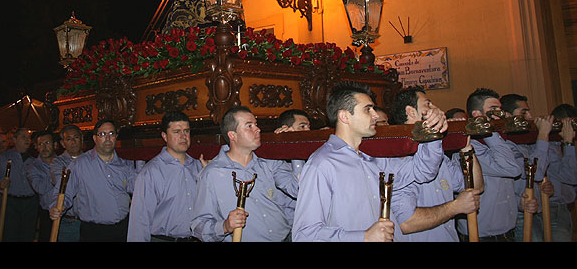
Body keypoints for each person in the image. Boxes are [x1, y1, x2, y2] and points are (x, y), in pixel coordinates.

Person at [292, 82, 447, 242]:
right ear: (344, 116)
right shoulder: (322, 164)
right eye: (367, 109)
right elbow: (305, 235)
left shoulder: (374, 159)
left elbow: (424, 171)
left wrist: (432, 131)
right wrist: (363, 237)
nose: (375, 115)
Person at [191, 106, 299, 242]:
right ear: (232, 135)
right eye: (249, 126)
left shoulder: (270, 163)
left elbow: (298, 190)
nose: (257, 129)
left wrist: (294, 146)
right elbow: (198, 226)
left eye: (256, 124)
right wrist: (224, 226)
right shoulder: (212, 174)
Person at [390, 86, 483, 242]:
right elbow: (407, 222)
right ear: (411, 112)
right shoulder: (397, 159)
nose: (436, 109)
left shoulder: (440, 157)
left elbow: (477, 187)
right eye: (428, 104)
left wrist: (465, 146)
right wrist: (455, 207)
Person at [48, 119, 137, 242]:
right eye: (102, 134)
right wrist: (56, 207)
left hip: (122, 230)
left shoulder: (125, 166)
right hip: (94, 232)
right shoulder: (79, 164)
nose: (107, 138)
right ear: (95, 138)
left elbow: (139, 190)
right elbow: (64, 191)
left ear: (116, 137)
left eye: (111, 134)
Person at [456, 88, 523, 241]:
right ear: (476, 114)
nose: (499, 114)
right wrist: (488, 128)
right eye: (493, 110)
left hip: (507, 229)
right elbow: (511, 169)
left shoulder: (501, 141)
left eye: (500, 109)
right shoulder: (469, 146)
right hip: (482, 234)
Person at [128, 111, 204, 242]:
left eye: (186, 131)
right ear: (164, 136)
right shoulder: (151, 172)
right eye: (176, 132)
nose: (183, 136)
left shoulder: (198, 166)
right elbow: (140, 220)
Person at [500, 93, 556, 241]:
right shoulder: (506, 144)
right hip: (519, 214)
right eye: (524, 112)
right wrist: (543, 134)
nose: (530, 116)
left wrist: (544, 187)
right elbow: (535, 172)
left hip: (538, 208)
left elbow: (540, 175)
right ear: (507, 115)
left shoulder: (526, 141)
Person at [0, 127, 38, 241]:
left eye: (29, 137)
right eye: (23, 137)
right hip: (11, 203)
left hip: (31, 203)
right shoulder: (3, 159)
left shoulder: (34, 160)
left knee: (27, 236)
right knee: (9, 235)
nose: (27, 140)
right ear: (14, 139)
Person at [546, 104, 577, 241]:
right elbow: (571, 177)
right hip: (552, 209)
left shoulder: (559, 145)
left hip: (565, 208)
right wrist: (569, 143)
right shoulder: (549, 147)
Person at [49, 124, 83, 242]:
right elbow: (64, 185)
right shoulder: (58, 163)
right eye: (68, 139)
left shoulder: (91, 160)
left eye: (76, 137)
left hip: (90, 221)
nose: (73, 141)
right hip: (69, 221)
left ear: (81, 139)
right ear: (63, 144)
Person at [25, 130, 58, 242]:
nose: (44, 147)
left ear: (55, 145)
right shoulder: (33, 167)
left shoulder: (65, 161)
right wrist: (57, 174)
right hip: (47, 214)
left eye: (47, 143)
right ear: (36, 147)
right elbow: (40, 188)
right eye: (40, 144)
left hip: (69, 215)